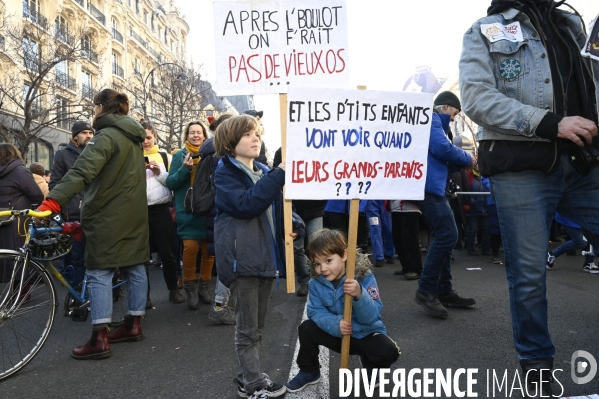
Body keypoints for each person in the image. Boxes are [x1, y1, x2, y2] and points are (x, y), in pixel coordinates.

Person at [460, 0, 599, 393]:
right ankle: (537, 369)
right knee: (528, 276)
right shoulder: (484, 30)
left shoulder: (570, 22)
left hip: (585, 162)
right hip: (521, 167)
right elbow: (475, 98)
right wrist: (550, 123)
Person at [37, 89, 149, 360]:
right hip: (134, 212)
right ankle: (133, 325)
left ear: (100, 107)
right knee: (135, 266)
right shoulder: (132, 137)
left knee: (99, 271)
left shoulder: (106, 136)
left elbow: (82, 171)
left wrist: (52, 202)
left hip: (107, 213)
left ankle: (99, 338)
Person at [213, 114, 288, 398]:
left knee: (256, 327)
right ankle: (253, 384)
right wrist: (280, 173)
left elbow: (272, 211)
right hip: (242, 261)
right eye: (247, 134)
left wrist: (293, 229)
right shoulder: (224, 173)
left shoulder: (263, 172)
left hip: (265, 259)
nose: (256, 138)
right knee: (247, 329)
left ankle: (251, 376)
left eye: (257, 133)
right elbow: (247, 204)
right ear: (231, 142)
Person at [286, 229, 400, 392]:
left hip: (363, 333)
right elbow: (315, 312)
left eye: (328, 261)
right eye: (317, 264)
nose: (323, 269)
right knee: (307, 328)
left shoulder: (363, 277)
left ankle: (372, 364)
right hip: (337, 334)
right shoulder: (316, 283)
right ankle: (309, 371)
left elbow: (371, 317)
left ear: (344, 256)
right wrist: (336, 324)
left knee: (389, 351)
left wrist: (359, 295)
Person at [413, 91, 476, 319]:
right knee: (448, 234)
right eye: (455, 114)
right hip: (428, 187)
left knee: (445, 234)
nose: (454, 119)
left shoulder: (431, 122)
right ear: (447, 107)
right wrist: (468, 158)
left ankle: (443, 290)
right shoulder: (431, 119)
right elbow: (441, 149)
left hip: (432, 186)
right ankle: (426, 289)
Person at [166, 121, 214, 309]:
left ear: (204, 136)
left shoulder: (211, 155)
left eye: (199, 132)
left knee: (209, 251)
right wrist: (185, 169)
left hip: (208, 209)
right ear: (187, 135)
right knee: (190, 249)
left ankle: (204, 288)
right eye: (192, 132)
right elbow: (171, 183)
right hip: (187, 211)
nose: (195, 135)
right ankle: (190, 289)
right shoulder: (179, 155)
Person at [141, 121, 185, 305]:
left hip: (161, 209)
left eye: (149, 137)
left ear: (155, 137)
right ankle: (145, 296)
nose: (145, 141)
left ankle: (173, 290)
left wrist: (158, 172)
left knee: (168, 253)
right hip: (139, 211)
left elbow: (172, 182)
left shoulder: (164, 156)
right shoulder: (130, 157)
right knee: (142, 256)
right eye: (142, 138)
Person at [273, 147, 325, 297]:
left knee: (318, 246)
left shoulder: (318, 149)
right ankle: (304, 281)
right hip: (293, 209)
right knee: (296, 248)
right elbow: (277, 178)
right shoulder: (282, 151)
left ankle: (320, 281)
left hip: (315, 207)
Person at [49, 120, 94, 287]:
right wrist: (64, 206)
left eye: (90, 133)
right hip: (73, 213)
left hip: (92, 210)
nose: (88, 136)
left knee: (89, 254)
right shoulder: (63, 155)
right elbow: (55, 183)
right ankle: (75, 290)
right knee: (75, 255)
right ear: (75, 136)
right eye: (84, 133)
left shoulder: (94, 152)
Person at [205, 114, 236, 325]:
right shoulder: (221, 156)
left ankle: (223, 304)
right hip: (225, 213)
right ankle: (220, 306)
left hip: (215, 212)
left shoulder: (211, 151)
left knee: (228, 259)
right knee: (229, 260)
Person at [0, 143, 44, 257]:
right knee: (18, 255)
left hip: (3, 217)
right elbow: (37, 195)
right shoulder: (20, 171)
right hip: (19, 220)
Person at [389, 200, 423, 280]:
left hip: (410, 208)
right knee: (398, 239)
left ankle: (415, 269)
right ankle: (406, 267)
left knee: (410, 240)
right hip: (395, 208)